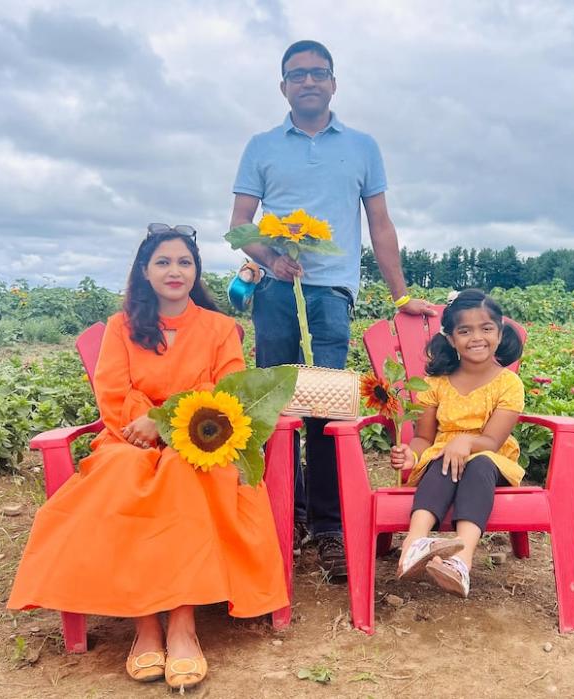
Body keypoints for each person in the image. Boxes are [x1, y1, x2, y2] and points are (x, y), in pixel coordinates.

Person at [7, 225, 288, 691]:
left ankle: (181, 623)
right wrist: (150, 426)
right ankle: (145, 625)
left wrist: (166, 421)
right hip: (128, 441)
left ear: (196, 271)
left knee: (181, 471)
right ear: (144, 271)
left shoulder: (220, 330)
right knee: (122, 471)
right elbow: (114, 396)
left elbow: (225, 395)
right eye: (163, 262)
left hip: (202, 441)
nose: (174, 270)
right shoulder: (122, 328)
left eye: (184, 262)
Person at [230, 39, 436, 579]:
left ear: (333, 82)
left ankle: (326, 526)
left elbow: (381, 225)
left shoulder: (363, 147)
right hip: (276, 293)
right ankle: (279, 515)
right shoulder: (261, 146)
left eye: (318, 73)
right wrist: (270, 258)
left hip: (332, 295)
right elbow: (240, 224)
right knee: (275, 405)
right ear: (283, 87)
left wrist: (401, 294)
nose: (308, 82)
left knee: (327, 406)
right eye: (297, 75)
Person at [388, 289, 526, 598]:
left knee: (476, 462)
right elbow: (424, 437)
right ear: (451, 339)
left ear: (500, 334)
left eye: (486, 328)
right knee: (442, 458)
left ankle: (461, 562)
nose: (477, 337)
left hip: (491, 461)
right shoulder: (436, 384)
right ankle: (414, 544)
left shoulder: (508, 384)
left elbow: (492, 440)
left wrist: (464, 441)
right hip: (444, 461)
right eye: (465, 331)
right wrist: (411, 455)